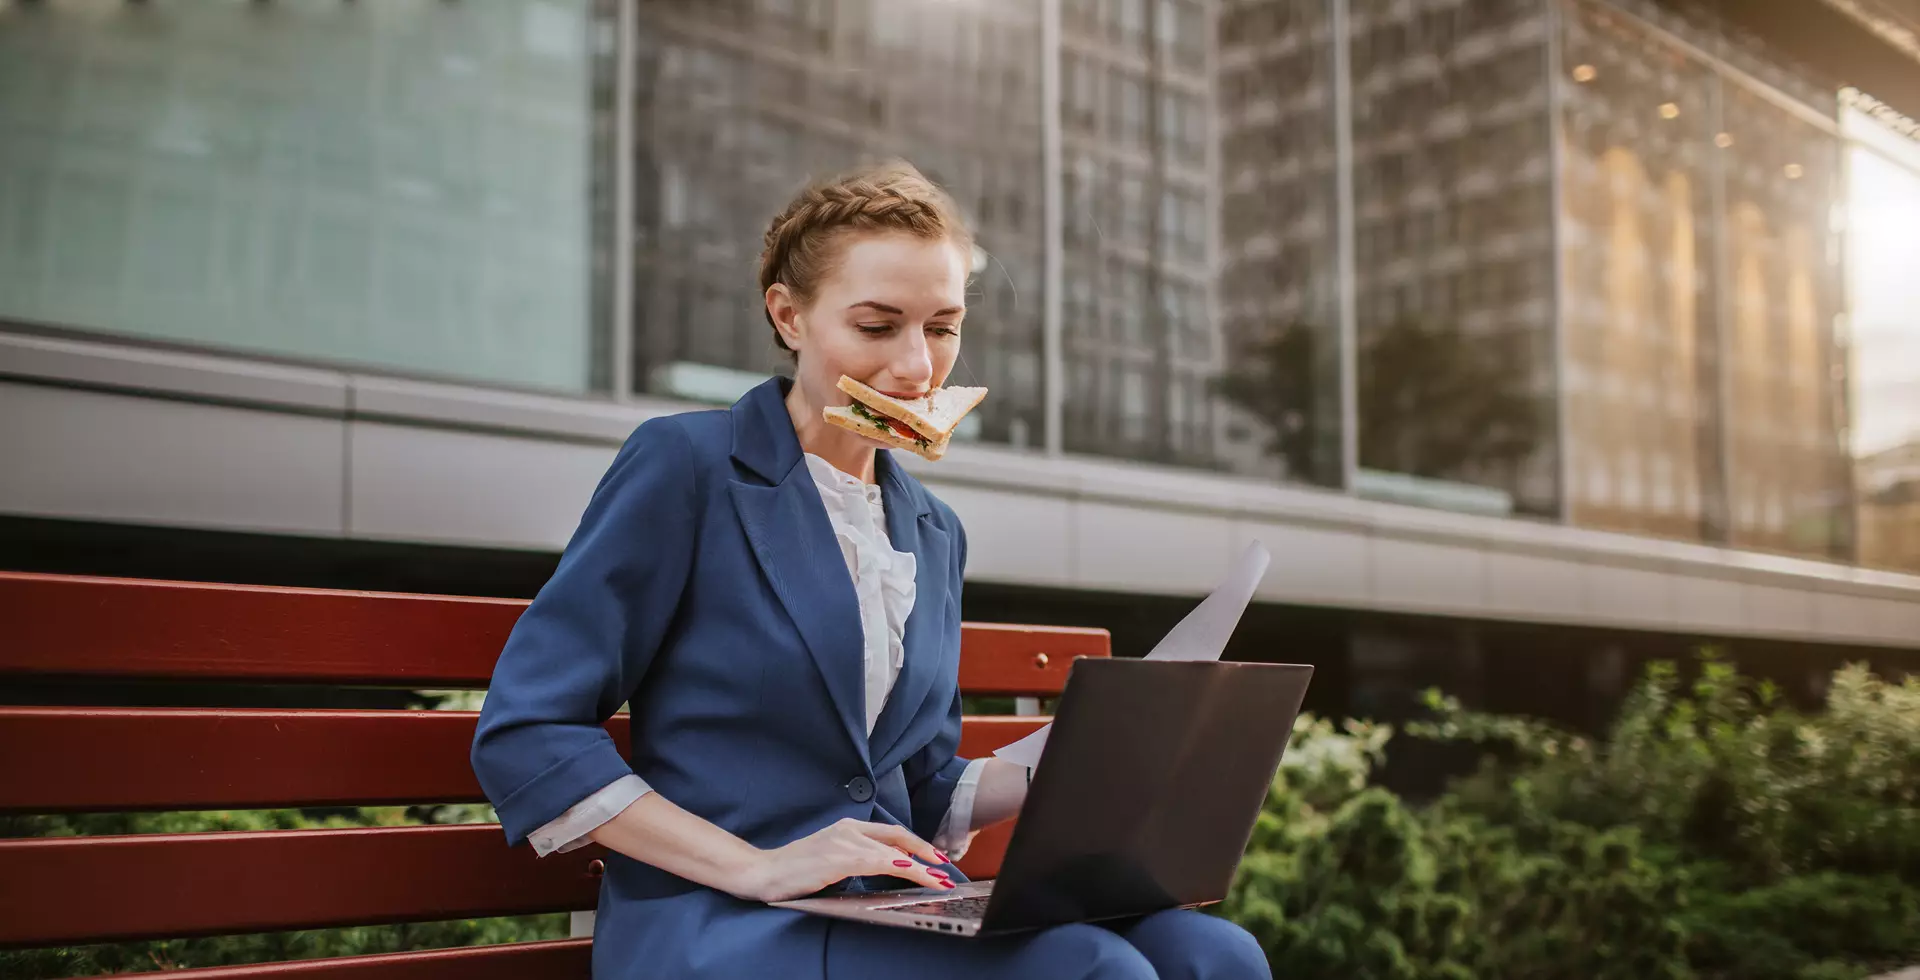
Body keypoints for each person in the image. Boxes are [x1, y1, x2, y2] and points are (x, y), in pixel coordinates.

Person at [471, 161, 1270, 980]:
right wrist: (757, 866)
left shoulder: (933, 529)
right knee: (1093, 970)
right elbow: (529, 732)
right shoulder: (687, 469)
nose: (919, 368)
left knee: (1215, 954)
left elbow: (916, 783)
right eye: (878, 326)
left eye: (943, 326)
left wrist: (1079, 753)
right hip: (724, 924)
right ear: (789, 316)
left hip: (888, 903)